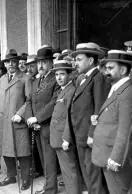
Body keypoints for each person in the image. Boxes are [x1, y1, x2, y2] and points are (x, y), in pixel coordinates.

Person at [63, 42, 110, 194]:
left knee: (93, 175)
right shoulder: (82, 78)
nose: (75, 63)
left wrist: (91, 134)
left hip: (89, 137)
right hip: (80, 134)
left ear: (90, 60)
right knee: (87, 175)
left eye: (79, 59)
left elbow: (99, 110)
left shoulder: (98, 79)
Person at [91, 50, 132, 194]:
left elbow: (126, 129)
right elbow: (113, 116)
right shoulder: (116, 87)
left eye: (110, 68)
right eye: (105, 68)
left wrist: (116, 157)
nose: (106, 72)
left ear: (123, 70)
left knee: (119, 190)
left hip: (114, 156)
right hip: (107, 152)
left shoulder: (127, 93)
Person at [0, 49, 31, 191]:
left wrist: (21, 114)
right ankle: (11, 175)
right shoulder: (2, 79)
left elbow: (30, 100)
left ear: (18, 62)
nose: (11, 64)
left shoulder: (25, 78)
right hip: (3, 122)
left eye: (13, 61)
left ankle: (26, 178)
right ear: (5, 64)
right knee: (6, 150)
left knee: (22, 151)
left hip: (17, 121)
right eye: (8, 62)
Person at [25, 46, 60, 194]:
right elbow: (30, 101)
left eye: (44, 62)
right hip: (36, 125)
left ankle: (51, 189)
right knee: (43, 158)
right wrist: (30, 119)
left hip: (48, 125)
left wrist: (38, 119)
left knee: (49, 159)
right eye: (39, 63)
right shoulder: (37, 80)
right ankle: (47, 186)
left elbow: (54, 102)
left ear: (51, 63)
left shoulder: (55, 79)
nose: (40, 66)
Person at [50, 60, 82, 194]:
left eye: (62, 74)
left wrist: (66, 139)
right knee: (66, 170)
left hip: (64, 138)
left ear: (70, 75)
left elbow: (70, 116)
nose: (58, 77)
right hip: (58, 136)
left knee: (70, 171)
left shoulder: (71, 91)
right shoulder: (63, 90)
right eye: (56, 74)